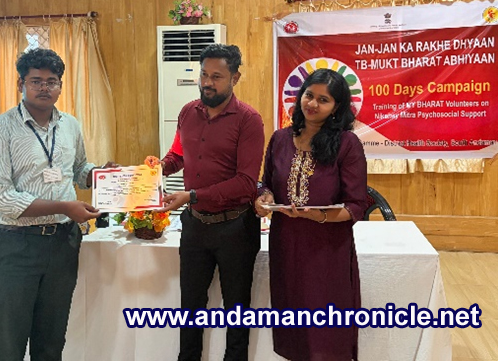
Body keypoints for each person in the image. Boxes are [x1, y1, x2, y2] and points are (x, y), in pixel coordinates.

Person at [0, 48, 108, 361]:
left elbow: (78, 168)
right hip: (15, 246)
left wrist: (102, 175)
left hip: (63, 244)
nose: (44, 88)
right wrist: (64, 207)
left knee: (52, 340)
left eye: (52, 81)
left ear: (60, 86)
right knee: (11, 341)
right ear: (21, 84)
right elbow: (2, 199)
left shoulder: (70, 125)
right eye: (36, 81)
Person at [152, 43, 265, 361]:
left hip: (236, 228)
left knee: (237, 313)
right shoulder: (188, 112)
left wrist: (191, 196)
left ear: (235, 78)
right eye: (203, 74)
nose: (207, 83)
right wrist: (159, 166)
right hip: (195, 226)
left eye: (216, 76)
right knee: (189, 310)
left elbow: (246, 182)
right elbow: (178, 155)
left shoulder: (249, 120)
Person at [255, 68, 369, 361]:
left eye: (324, 99)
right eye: (309, 95)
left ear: (337, 107)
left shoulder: (347, 144)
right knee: (292, 322)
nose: (313, 104)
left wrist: (317, 216)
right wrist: (264, 197)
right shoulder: (280, 139)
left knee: (325, 328)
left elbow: (356, 206)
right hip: (286, 245)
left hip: (326, 250)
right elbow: (266, 183)